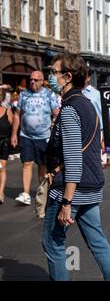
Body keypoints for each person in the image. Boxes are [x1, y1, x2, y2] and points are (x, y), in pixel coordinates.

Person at [42, 53, 110, 281]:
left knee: (53, 242)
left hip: (71, 189)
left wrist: (66, 202)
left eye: (54, 72)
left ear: (67, 77)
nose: (51, 76)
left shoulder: (69, 110)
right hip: (92, 184)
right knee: (97, 241)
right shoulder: (87, 105)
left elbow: (74, 158)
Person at [11, 71, 59, 206]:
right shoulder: (24, 95)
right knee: (26, 163)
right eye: (31, 79)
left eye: (36, 80)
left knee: (42, 166)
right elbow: (17, 115)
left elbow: (56, 113)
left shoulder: (49, 95)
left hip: (44, 136)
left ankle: (42, 191)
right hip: (26, 136)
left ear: (42, 81)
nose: (32, 82)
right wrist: (14, 134)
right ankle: (26, 193)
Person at [0, 89, 13, 204]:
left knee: (1, 168)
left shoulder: (7, 111)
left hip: (2, 144)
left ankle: (0, 193)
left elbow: (13, 127)